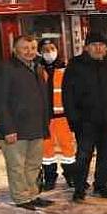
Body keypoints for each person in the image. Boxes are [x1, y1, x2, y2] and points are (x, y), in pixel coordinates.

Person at [62, 32, 107, 202]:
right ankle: (79, 188)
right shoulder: (76, 65)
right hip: (85, 121)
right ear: (86, 47)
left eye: (102, 45)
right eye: (94, 45)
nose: (98, 48)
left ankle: (100, 185)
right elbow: (68, 94)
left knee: (105, 154)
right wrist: (73, 118)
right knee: (83, 155)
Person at [0, 35, 52, 210]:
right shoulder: (5, 69)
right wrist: (8, 128)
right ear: (14, 49)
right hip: (15, 129)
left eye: (33, 48)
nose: (30, 52)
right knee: (17, 166)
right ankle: (21, 198)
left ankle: (32, 194)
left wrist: (44, 125)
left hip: (36, 127)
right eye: (25, 48)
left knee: (33, 164)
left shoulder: (37, 69)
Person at [38, 39, 76, 191]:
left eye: (52, 48)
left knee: (68, 148)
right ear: (40, 52)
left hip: (63, 117)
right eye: (45, 49)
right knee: (46, 150)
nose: (49, 52)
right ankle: (50, 177)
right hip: (44, 118)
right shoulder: (37, 69)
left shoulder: (66, 69)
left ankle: (71, 176)